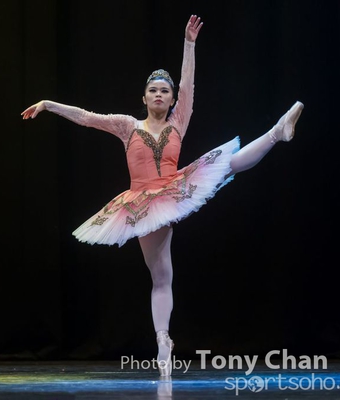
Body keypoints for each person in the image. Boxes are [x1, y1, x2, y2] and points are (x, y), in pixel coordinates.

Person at [21, 15, 303, 376]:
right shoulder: (127, 126)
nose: (159, 94)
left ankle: (277, 132)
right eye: (153, 90)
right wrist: (49, 104)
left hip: (176, 188)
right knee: (161, 276)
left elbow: (188, 84)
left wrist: (189, 43)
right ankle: (163, 340)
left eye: (164, 91)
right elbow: (88, 117)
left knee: (227, 164)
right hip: (141, 204)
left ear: (171, 100)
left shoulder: (178, 120)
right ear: (144, 97)